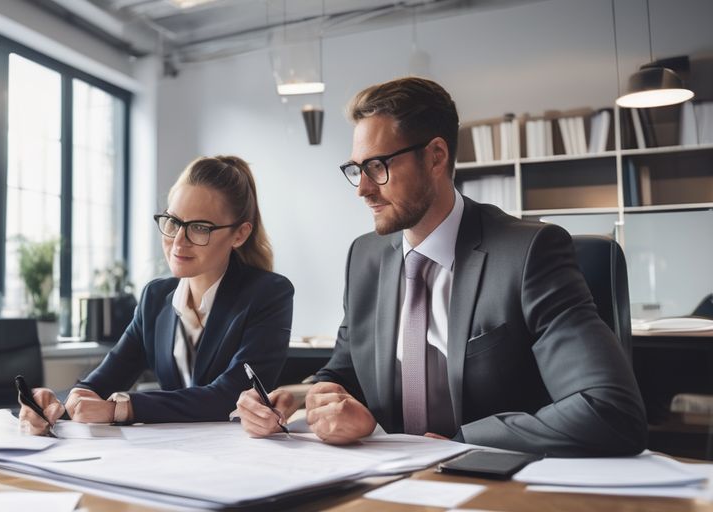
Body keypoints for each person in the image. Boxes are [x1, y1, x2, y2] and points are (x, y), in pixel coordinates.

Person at [235, 77, 647, 457]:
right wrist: (302, 397)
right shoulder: (365, 257)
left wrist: (459, 444)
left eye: (377, 166)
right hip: (382, 482)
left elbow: (609, 408)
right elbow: (345, 370)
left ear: (436, 156)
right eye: (356, 169)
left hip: (495, 487)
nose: (362, 188)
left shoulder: (529, 253)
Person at [20, 155, 294, 432]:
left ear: (239, 234)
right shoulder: (155, 298)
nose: (178, 241)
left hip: (242, 457)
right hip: (167, 455)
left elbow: (230, 396)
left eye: (199, 228)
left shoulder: (268, 294)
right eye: (173, 222)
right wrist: (60, 403)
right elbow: (101, 382)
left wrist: (122, 408)